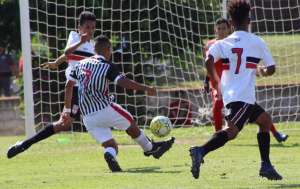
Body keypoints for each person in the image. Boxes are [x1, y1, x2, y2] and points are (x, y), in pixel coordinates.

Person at [190, 0, 282, 180]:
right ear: (249, 20)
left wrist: (215, 81)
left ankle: (266, 165)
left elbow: (208, 61)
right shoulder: (257, 41)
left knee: (264, 120)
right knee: (231, 132)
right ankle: (200, 150)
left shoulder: (221, 44)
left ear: (231, 23)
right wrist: (262, 71)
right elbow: (271, 69)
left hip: (235, 96)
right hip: (242, 96)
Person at [62, 35, 175, 172]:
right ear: (108, 49)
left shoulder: (80, 64)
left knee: (111, 146)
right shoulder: (107, 66)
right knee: (131, 123)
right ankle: (149, 149)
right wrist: (146, 89)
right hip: (104, 108)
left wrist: (67, 111)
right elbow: (123, 82)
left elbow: (69, 85)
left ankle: (109, 154)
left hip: (87, 118)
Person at [7, 11, 96, 158]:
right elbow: (68, 52)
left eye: (93, 28)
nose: (90, 31)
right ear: (78, 27)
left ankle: (113, 148)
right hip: (73, 90)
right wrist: (80, 41)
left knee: (98, 117)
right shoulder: (75, 37)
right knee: (63, 124)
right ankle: (24, 145)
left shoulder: (93, 46)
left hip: (88, 91)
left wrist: (56, 62)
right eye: (87, 27)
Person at [204, 18, 288, 143]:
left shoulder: (232, 44)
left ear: (229, 29)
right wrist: (207, 81)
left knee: (257, 112)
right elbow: (209, 64)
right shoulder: (212, 45)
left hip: (236, 85)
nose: (221, 31)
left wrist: (255, 70)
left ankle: (275, 133)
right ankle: (217, 135)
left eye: (224, 28)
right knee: (218, 106)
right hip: (219, 83)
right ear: (215, 30)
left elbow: (243, 62)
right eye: (218, 28)